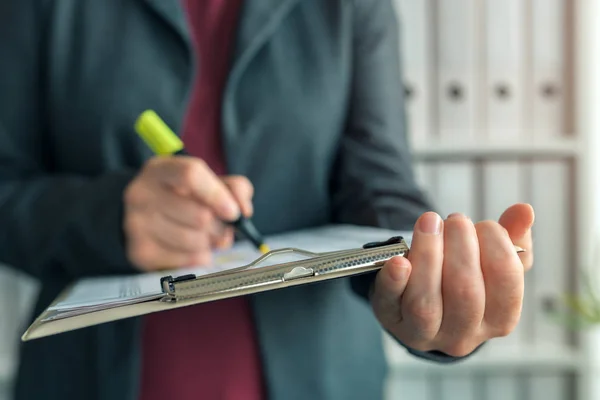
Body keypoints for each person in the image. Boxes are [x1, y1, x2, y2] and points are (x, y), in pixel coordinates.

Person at [0, 1, 534, 399]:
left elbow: (376, 182)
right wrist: (108, 217)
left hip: (321, 378)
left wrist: (428, 281)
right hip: (87, 380)